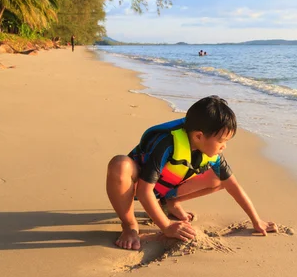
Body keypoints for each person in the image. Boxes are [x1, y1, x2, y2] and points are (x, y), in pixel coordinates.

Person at [106, 95, 277, 250]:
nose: (224, 146)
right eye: (221, 141)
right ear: (198, 136)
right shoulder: (167, 143)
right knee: (119, 164)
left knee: (220, 179)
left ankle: (170, 203)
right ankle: (129, 226)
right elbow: (144, 191)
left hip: (165, 188)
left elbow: (233, 185)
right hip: (137, 185)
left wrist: (256, 220)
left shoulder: (212, 153)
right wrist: (166, 226)